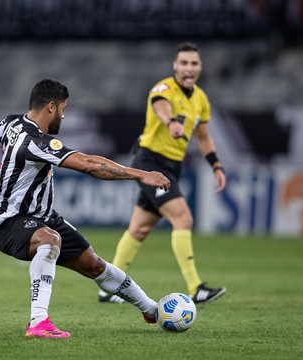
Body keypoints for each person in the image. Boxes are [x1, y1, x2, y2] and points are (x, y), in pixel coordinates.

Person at [0, 79, 171, 338]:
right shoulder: (36, 142)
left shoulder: (12, 123)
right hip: (10, 222)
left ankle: (150, 309)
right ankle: (38, 322)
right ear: (51, 107)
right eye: (63, 110)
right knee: (50, 241)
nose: (63, 117)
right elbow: (90, 164)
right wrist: (140, 174)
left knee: (94, 265)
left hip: (44, 217)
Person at [98, 42, 226, 305]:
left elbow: (203, 137)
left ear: (200, 67)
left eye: (194, 63)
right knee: (183, 219)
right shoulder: (163, 88)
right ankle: (196, 288)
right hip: (151, 162)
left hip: (172, 166)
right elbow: (161, 106)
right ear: (175, 66)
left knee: (139, 229)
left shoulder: (200, 98)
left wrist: (216, 165)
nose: (189, 68)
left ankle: (107, 289)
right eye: (184, 63)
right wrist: (171, 123)